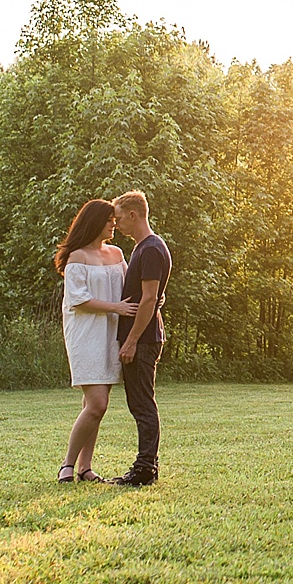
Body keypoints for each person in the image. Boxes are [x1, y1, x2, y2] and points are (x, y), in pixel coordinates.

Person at [55, 198, 136, 483]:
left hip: (111, 334)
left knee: (95, 406)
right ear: (94, 222)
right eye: (109, 220)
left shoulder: (117, 254)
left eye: (115, 219)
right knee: (97, 404)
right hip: (86, 333)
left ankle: (85, 468)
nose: (114, 224)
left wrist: (154, 296)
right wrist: (117, 307)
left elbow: (131, 286)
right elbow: (79, 301)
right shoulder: (78, 257)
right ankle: (67, 464)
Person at [111, 189, 170, 487]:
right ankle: (146, 465)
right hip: (144, 336)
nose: (116, 225)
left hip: (144, 339)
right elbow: (155, 295)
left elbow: (148, 300)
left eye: (119, 218)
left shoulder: (149, 249)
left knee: (143, 404)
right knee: (140, 403)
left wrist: (132, 340)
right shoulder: (146, 248)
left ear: (134, 215)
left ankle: (146, 469)